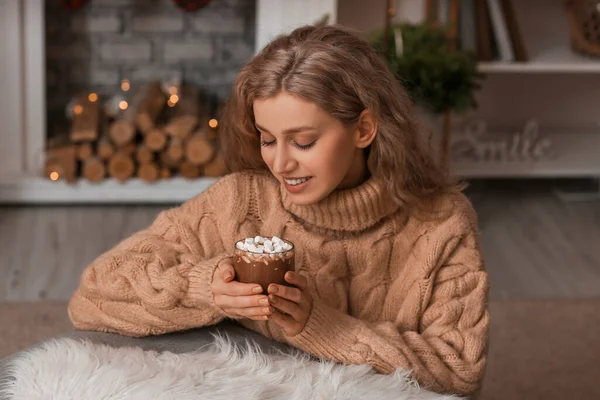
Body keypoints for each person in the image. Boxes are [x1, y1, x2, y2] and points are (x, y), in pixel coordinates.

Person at [68, 24, 489, 397]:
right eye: (268, 139)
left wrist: (323, 326)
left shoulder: (441, 221)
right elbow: (93, 294)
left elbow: (459, 370)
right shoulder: (241, 201)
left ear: (364, 129)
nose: (280, 164)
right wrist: (206, 289)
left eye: (303, 141)